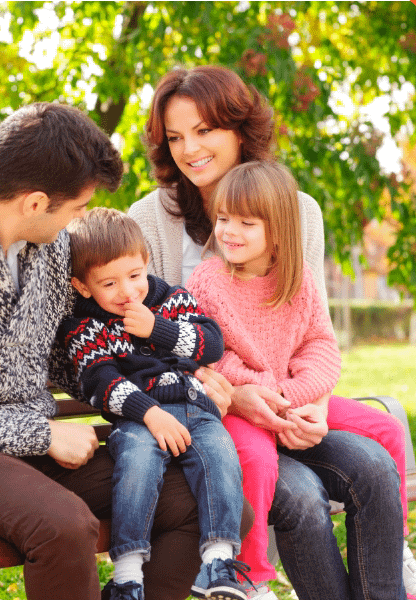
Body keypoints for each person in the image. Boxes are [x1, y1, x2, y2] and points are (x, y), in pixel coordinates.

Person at [0, 102, 250, 600]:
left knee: (206, 500)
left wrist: (175, 384)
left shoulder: (52, 250)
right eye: (79, 209)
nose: (80, 222)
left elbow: (81, 359)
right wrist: (39, 434)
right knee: (65, 526)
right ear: (36, 203)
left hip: (32, 454)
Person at [128, 65, 416, 600]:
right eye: (175, 137)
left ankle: (391, 572)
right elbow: (149, 339)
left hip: (290, 400)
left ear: (239, 130)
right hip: (210, 414)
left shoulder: (297, 212)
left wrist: (309, 400)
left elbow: (309, 329)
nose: (189, 149)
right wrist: (240, 395)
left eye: (204, 130)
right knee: (298, 495)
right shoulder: (149, 221)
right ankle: (250, 581)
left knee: (376, 458)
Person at [58, 207, 252, 600]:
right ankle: (128, 575)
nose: (128, 292)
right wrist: (151, 414)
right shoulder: (86, 326)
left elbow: (211, 342)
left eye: (134, 275)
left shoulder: (169, 300)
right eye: (109, 283)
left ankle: (217, 562)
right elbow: (101, 382)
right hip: (139, 419)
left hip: (197, 409)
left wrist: (157, 329)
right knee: (138, 463)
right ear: (82, 286)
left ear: (146, 261)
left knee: (220, 456)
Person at [187, 160, 342, 596]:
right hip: (239, 405)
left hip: (292, 399)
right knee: (255, 460)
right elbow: (208, 355)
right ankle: (249, 577)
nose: (229, 231)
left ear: (276, 231)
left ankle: (399, 545)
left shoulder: (299, 280)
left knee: (384, 428)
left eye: (245, 222)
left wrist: (294, 396)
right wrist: (262, 393)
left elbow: (322, 346)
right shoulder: (209, 280)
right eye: (222, 219)